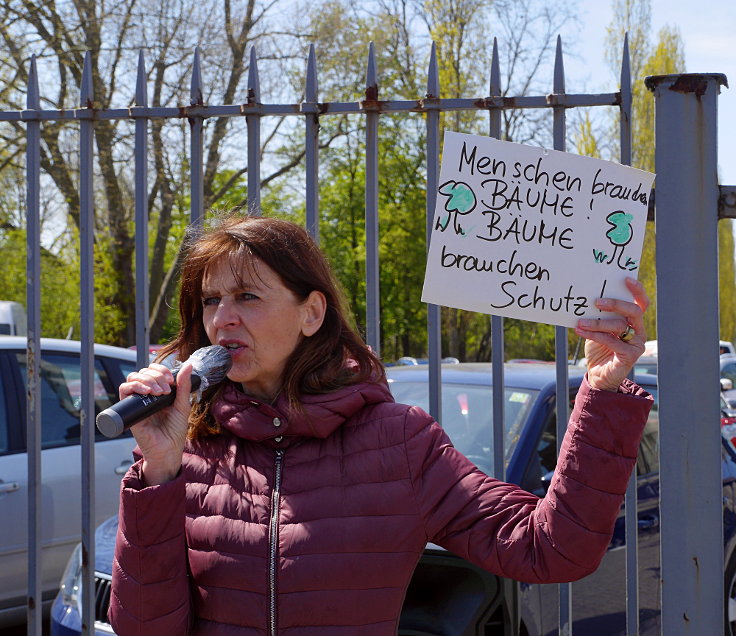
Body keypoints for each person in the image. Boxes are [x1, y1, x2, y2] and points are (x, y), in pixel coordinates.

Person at [109, 214, 652, 636]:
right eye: (211, 301)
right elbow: (142, 626)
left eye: (247, 296)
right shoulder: (190, 451)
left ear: (311, 314)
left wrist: (601, 391)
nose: (221, 318)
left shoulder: (398, 441)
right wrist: (157, 468)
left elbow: (551, 547)